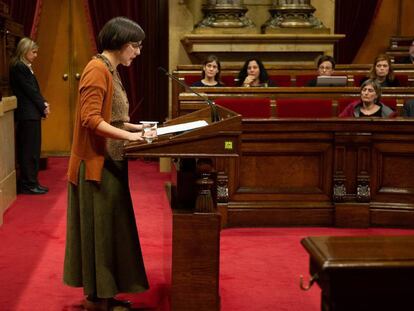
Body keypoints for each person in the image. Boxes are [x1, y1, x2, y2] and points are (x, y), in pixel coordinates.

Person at [63, 17, 156, 311]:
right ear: (122, 43)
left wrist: (138, 130)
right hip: (95, 166)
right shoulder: (96, 70)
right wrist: (132, 139)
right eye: (136, 46)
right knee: (101, 233)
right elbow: (91, 120)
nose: (138, 52)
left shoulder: (111, 70)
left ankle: (105, 294)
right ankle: (98, 299)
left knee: (110, 231)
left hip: (111, 161)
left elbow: (113, 118)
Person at [9, 37, 50, 195]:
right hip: (27, 114)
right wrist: (43, 105)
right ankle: (28, 183)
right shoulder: (19, 67)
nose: (36, 55)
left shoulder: (24, 66)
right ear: (25, 51)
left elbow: (34, 90)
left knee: (33, 150)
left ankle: (33, 181)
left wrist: (43, 103)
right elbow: (29, 91)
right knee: (28, 151)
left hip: (31, 113)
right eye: (33, 52)